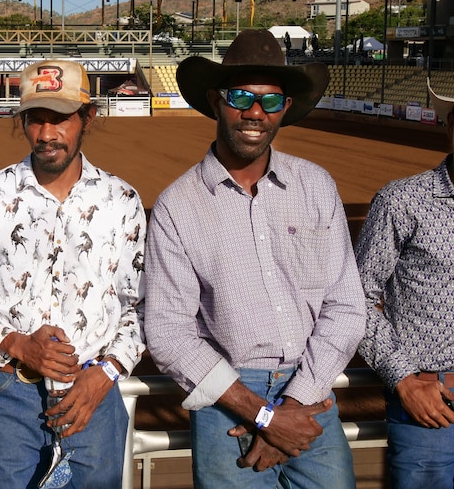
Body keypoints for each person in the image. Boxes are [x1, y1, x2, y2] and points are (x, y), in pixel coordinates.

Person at [144, 30, 365, 489]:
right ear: (215, 100)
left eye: (270, 100)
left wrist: (293, 404)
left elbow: (346, 306)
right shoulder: (177, 205)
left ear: (285, 108)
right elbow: (168, 331)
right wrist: (261, 413)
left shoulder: (316, 186)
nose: (254, 113)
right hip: (227, 400)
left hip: (312, 390)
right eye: (240, 96)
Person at [0, 59, 146, 488]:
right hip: (12, 391)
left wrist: (105, 372)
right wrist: (15, 343)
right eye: (36, 119)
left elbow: (139, 306)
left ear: (88, 117)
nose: (48, 134)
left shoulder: (122, 201)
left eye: (62, 119)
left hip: (93, 394)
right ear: (23, 121)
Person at [356, 58, 454, 489]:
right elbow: (359, 298)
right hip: (426, 401)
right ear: (450, 124)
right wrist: (404, 381)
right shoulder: (402, 201)